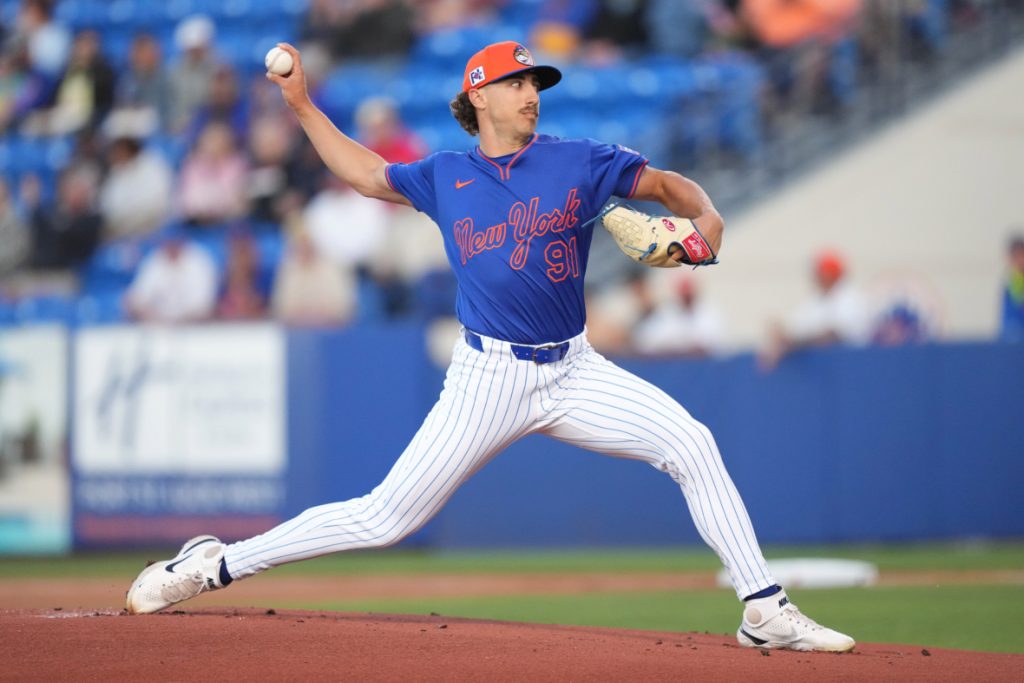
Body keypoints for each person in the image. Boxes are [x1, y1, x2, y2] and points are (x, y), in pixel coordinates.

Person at [125, 40, 855, 653]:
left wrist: (708, 219)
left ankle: (763, 608)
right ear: (479, 96)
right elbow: (365, 173)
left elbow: (667, 185)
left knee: (691, 443)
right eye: (516, 83)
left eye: (536, 82)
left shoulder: (580, 161)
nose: (531, 93)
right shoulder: (447, 175)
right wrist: (304, 109)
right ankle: (215, 564)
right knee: (385, 518)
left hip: (574, 368)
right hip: (488, 377)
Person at [759, 249, 870, 369]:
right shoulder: (815, 302)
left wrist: (793, 343)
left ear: (831, 274)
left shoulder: (850, 298)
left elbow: (834, 336)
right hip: (822, 370)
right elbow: (795, 330)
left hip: (850, 366)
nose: (816, 277)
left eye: (820, 272)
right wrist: (781, 338)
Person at [123, 229, 218, 324]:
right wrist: (154, 318)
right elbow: (136, 300)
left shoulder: (199, 260)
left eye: (175, 242)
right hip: (157, 325)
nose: (171, 246)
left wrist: (175, 322)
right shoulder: (155, 259)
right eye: (168, 242)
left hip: (192, 326)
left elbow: (203, 307)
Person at [1000, 234, 1024, 342]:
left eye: (1020, 255)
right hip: (1013, 340)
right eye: (1014, 256)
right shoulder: (1010, 283)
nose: (1018, 260)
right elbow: (1007, 319)